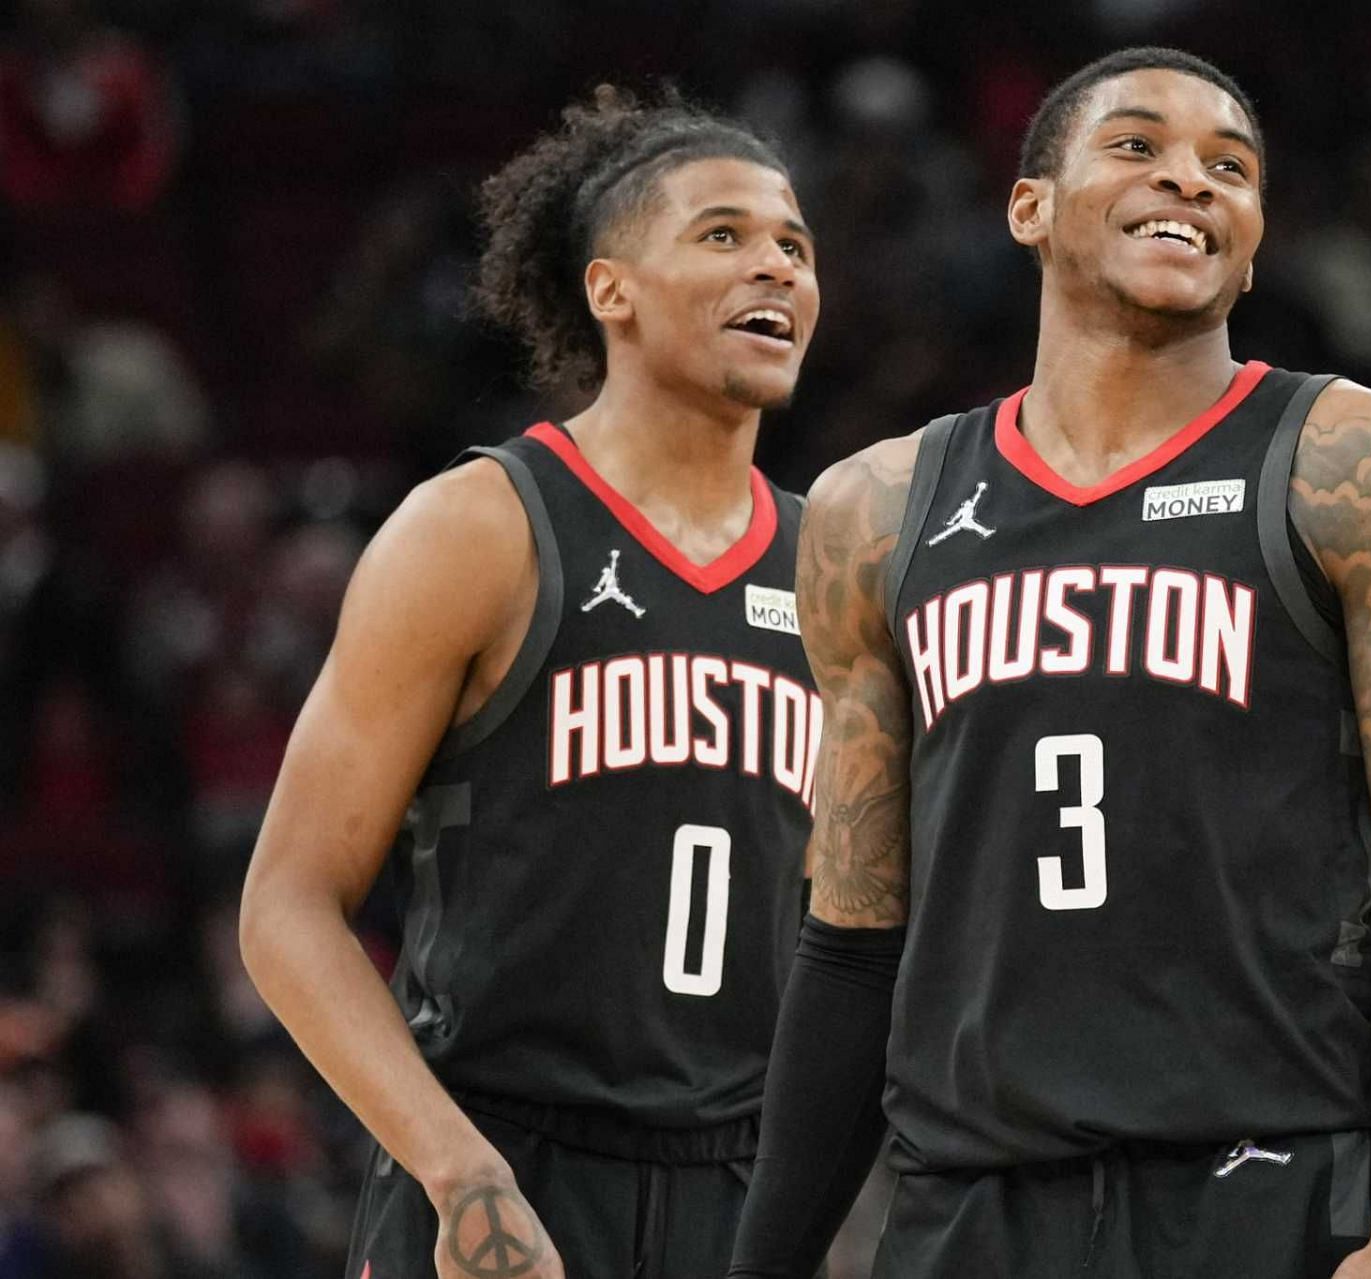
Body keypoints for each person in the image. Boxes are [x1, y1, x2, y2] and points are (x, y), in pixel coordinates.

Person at [731, 47, 1371, 1279]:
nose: (1191, 180)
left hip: (1263, 1180)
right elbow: (852, 932)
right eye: (1138, 146)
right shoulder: (875, 509)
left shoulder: (1359, 463)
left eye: (1231, 168)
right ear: (1028, 208)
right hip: (969, 1200)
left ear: (1253, 247)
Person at [239, 85, 823, 1279]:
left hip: (743, 1190)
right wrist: (459, 1174)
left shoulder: (844, 563)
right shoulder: (480, 527)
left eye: (795, 246)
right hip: (504, 1164)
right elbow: (287, 904)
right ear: (610, 289)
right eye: (723, 234)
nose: (774, 266)